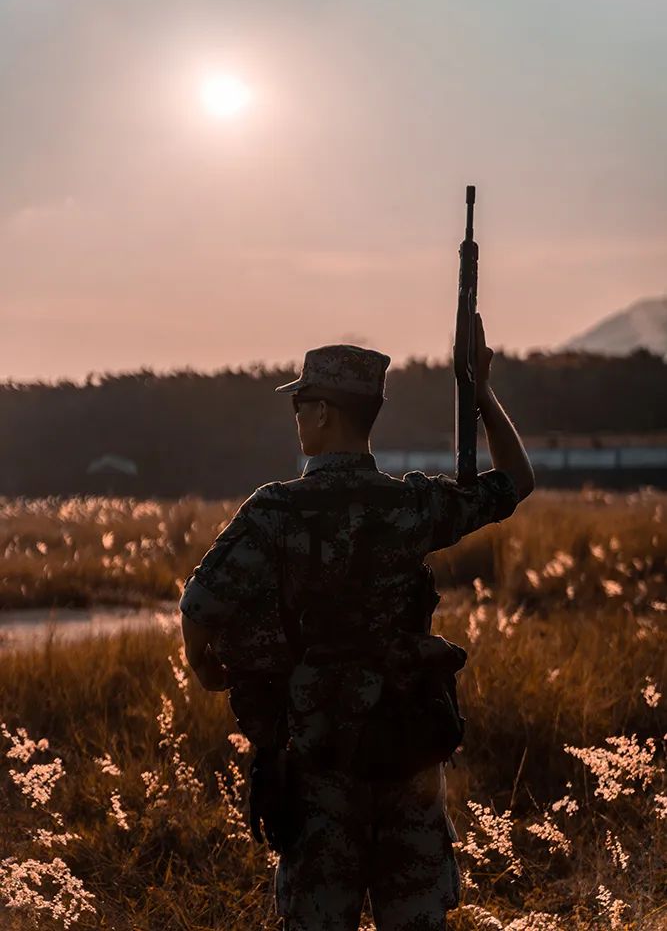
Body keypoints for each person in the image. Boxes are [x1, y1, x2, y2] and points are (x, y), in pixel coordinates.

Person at [180, 314, 535, 931]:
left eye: (301, 403)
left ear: (322, 414)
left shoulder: (275, 511)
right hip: (409, 750)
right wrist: (480, 394)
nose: (296, 415)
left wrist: (212, 672)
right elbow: (516, 482)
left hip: (319, 760)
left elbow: (199, 610)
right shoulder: (410, 505)